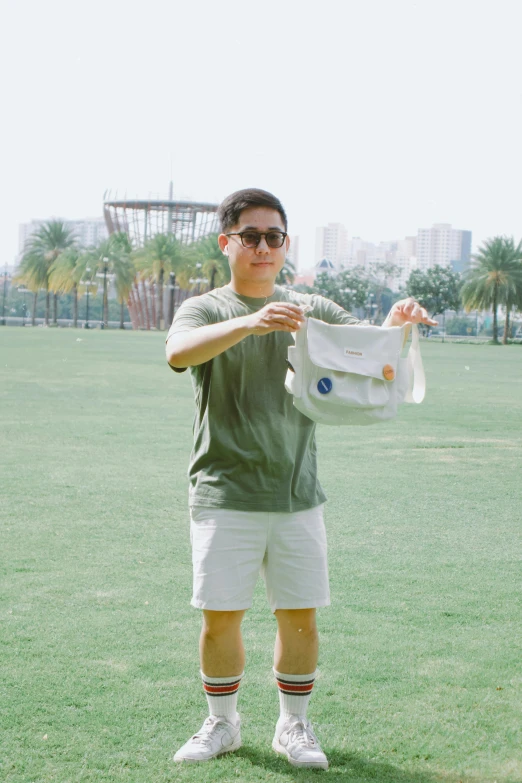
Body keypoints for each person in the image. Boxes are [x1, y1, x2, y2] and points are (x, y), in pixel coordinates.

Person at [165, 188, 436, 769]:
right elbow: (179, 353)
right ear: (226, 242)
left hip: (297, 491)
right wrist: (253, 322)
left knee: (300, 615)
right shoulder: (207, 308)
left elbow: (366, 349)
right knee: (220, 617)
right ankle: (222, 724)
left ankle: (294, 727)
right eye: (251, 237)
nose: (264, 247)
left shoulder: (311, 305)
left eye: (275, 237)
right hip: (223, 491)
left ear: (285, 244)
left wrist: (396, 322)